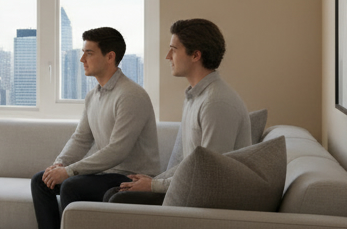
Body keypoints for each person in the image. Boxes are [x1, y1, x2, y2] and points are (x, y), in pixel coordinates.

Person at [15, 27, 160, 229]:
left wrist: (69, 172)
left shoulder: (131, 95)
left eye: (89, 53)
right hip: (105, 172)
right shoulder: (94, 95)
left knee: (73, 186)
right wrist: (57, 167)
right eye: (83, 53)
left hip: (130, 176)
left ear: (110, 57)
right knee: (41, 181)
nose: (82, 60)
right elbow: (81, 138)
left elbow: (117, 150)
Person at [106, 19, 250, 205]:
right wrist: (154, 182)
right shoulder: (195, 97)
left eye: (174, 49)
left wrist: (154, 186)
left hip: (206, 200)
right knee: (114, 192)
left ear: (195, 55)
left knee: (119, 200)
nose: (168, 56)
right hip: (190, 188)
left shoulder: (216, 103)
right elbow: (186, 163)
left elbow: (209, 175)